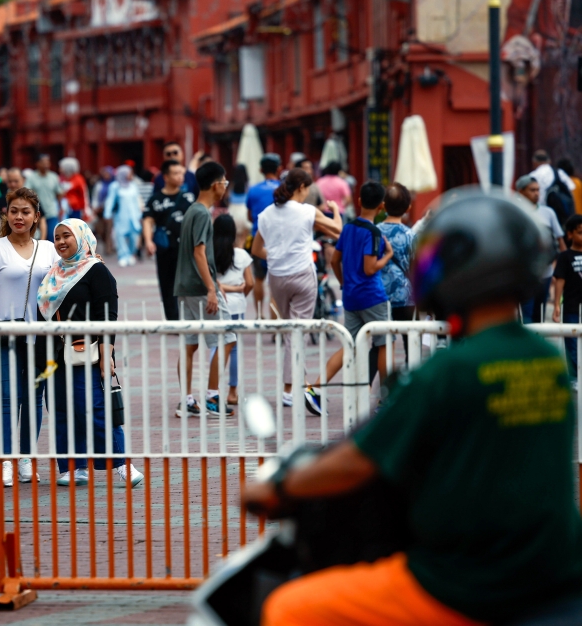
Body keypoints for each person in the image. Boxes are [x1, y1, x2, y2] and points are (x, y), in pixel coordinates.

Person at [243, 190, 582, 626]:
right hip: (551, 571)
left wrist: (280, 488)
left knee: (287, 608)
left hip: (465, 582)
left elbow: (357, 460)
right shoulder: (546, 361)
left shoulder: (451, 371)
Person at [38, 219, 144, 488]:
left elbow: (107, 316)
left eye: (67, 236)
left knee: (95, 408)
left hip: (87, 352)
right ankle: (73, 467)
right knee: (61, 410)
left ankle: (122, 464)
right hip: (54, 355)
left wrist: (108, 356)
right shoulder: (53, 273)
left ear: (82, 237)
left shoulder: (96, 271)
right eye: (57, 237)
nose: (61, 242)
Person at [0, 187, 59, 487]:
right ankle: (5, 460)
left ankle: (26, 458)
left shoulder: (48, 249)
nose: (19, 217)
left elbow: (68, 278)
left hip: (40, 335)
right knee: (7, 397)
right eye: (14, 211)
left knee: (34, 398)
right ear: (6, 214)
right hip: (6, 333)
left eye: (26, 212)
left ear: (36, 216)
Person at [251, 169, 342, 413]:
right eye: (308, 189)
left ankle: (295, 386)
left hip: (277, 277)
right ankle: (291, 390)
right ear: (301, 187)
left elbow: (256, 250)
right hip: (302, 274)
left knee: (291, 331)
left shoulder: (266, 214)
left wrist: (277, 256)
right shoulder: (307, 211)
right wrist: (334, 209)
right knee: (297, 332)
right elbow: (338, 229)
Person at [173, 162, 236, 417]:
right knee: (227, 337)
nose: (225, 187)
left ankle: (187, 400)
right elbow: (199, 252)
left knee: (190, 345)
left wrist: (214, 282)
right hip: (200, 287)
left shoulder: (192, 210)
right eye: (225, 182)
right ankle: (212, 396)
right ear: (216, 185)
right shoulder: (201, 214)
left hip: (186, 286)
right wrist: (211, 288)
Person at [322, 183, 394, 394]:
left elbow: (334, 261)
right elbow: (370, 268)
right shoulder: (373, 232)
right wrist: (388, 256)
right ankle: (385, 396)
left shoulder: (348, 228)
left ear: (360, 201)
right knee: (384, 343)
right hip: (372, 297)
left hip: (351, 297)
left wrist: (344, 283)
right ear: (381, 206)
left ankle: (315, 387)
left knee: (349, 345)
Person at [208, 214, 254, 406]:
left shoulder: (209, 254)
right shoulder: (241, 255)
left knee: (215, 346)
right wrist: (240, 292)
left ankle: (213, 389)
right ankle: (233, 392)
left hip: (215, 305)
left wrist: (223, 288)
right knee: (233, 349)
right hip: (236, 306)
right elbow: (250, 283)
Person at [143, 160, 196, 320]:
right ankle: (172, 321)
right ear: (165, 177)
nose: (180, 177)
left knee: (188, 284)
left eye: (181, 173)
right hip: (165, 249)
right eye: (176, 173)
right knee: (167, 287)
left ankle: (188, 318)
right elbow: (148, 220)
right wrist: (148, 241)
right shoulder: (156, 199)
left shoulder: (188, 198)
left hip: (186, 249)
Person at [517, 175, 565, 322]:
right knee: (526, 314)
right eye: (532, 190)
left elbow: (559, 240)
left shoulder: (548, 213)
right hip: (524, 274)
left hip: (546, 273)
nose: (537, 193)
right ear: (521, 191)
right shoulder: (515, 211)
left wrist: (564, 266)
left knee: (540, 314)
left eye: (538, 190)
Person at [380, 184, 416, 356]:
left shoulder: (374, 232)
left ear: (383, 206)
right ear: (408, 208)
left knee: (381, 344)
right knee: (411, 342)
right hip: (405, 297)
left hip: (379, 296)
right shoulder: (411, 235)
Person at [247, 153, 281, 317]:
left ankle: (260, 315)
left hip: (258, 240)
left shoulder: (253, 190)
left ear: (261, 170)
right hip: (279, 240)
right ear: (279, 169)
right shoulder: (284, 189)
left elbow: (249, 216)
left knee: (259, 279)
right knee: (275, 281)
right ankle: (274, 320)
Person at [552, 214, 582, 385]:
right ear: (570, 234)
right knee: (572, 342)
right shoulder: (565, 257)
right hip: (571, 306)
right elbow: (560, 281)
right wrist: (557, 304)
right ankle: (574, 377)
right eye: (580, 232)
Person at [0, 168, 46, 244]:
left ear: (23, 180)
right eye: (10, 181)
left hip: (32, 238)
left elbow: (42, 219)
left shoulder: (32, 199)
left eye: (25, 212)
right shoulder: (1, 199)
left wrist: (42, 240)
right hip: (7, 240)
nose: (13, 184)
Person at [104, 165, 143, 267]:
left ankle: (130, 254)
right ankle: (123, 256)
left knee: (134, 236)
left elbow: (136, 201)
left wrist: (139, 214)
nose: (131, 176)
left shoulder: (133, 186)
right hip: (121, 216)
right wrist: (107, 213)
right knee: (120, 236)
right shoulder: (115, 186)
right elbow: (110, 200)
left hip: (133, 215)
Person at [25, 154, 62, 241]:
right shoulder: (31, 178)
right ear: (37, 164)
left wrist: (60, 208)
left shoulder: (54, 177)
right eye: (43, 162)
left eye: (47, 162)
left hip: (51, 213)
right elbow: (26, 192)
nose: (46, 165)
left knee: (52, 237)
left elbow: (59, 193)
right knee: (37, 238)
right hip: (37, 214)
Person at [227, 164, 251, 247]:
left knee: (235, 239)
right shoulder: (248, 186)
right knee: (243, 239)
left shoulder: (231, 185)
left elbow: (228, 198)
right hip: (244, 211)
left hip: (233, 211)